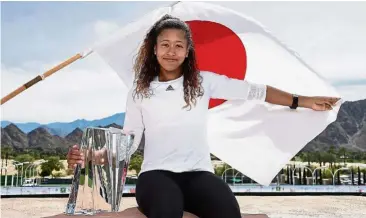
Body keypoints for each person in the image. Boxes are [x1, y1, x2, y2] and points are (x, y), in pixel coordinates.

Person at [67, 14, 340, 218]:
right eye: (165, 45)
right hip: (156, 175)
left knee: (228, 212)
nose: (171, 52)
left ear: (187, 52)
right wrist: (93, 155)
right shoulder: (140, 92)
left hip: (198, 174)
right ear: (154, 49)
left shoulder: (203, 82)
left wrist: (301, 100)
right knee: (167, 211)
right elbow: (128, 141)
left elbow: (255, 91)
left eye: (178, 46)